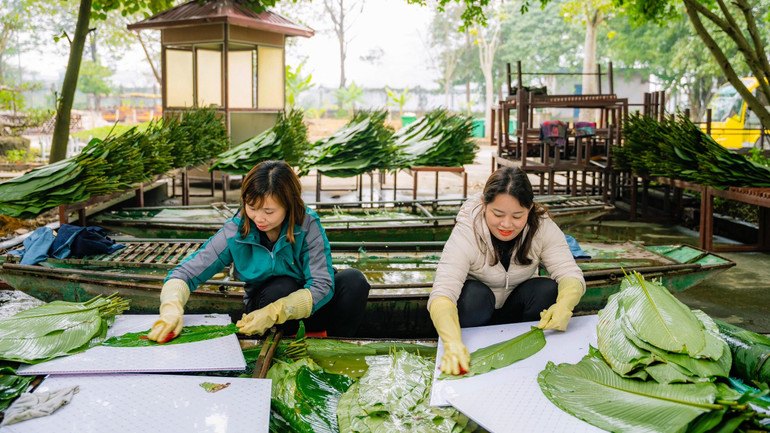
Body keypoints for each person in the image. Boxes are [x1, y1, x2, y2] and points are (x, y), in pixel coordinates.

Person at [147, 160, 371, 343]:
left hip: (307, 308)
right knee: (282, 286)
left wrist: (278, 311)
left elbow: (322, 284)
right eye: (252, 207)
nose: (259, 218)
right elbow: (185, 273)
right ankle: (280, 345)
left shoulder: (307, 224)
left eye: (269, 211)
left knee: (354, 281)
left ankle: (337, 345)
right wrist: (171, 308)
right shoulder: (236, 230)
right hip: (263, 313)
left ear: (289, 206)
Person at [428, 166, 585, 375]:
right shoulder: (467, 230)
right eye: (498, 214)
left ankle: (529, 346)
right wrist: (452, 343)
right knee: (474, 296)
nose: (506, 224)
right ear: (484, 205)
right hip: (476, 312)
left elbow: (570, 274)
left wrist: (565, 304)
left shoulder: (542, 226)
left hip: (516, 309)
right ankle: (464, 347)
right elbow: (442, 294)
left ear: (530, 209)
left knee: (547, 289)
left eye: (517, 216)